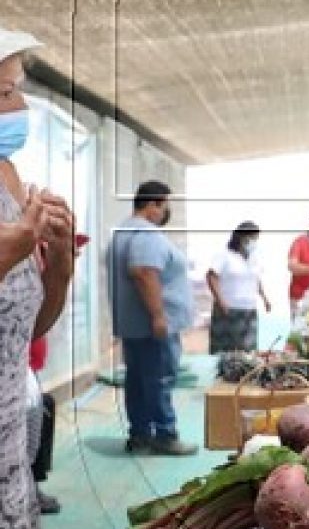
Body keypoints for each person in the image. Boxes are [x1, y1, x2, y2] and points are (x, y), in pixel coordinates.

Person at [0, 26, 75, 529]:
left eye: (18, 87)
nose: (16, 103)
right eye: (2, 90)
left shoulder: (10, 184)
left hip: (9, 454)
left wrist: (55, 266)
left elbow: (27, 322)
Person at [108, 180, 196, 455]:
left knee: (137, 380)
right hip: (153, 327)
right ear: (154, 204)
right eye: (165, 205)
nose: (166, 212)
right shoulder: (145, 233)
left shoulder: (123, 231)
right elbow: (144, 271)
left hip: (134, 326)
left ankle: (140, 434)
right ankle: (165, 435)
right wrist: (158, 316)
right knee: (159, 379)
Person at [206, 222, 270, 353]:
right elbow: (211, 276)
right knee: (225, 350)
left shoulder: (254, 259)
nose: (253, 242)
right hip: (229, 309)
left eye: (256, 238)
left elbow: (256, 279)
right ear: (241, 237)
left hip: (249, 310)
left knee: (247, 351)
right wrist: (220, 300)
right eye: (251, 238)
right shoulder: (225, 256)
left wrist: (264, 298)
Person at [28, 336, 58, 514]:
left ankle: (33, 484)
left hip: (27, 368)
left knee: (45, 405)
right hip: (14, 369)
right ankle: (29, 490)